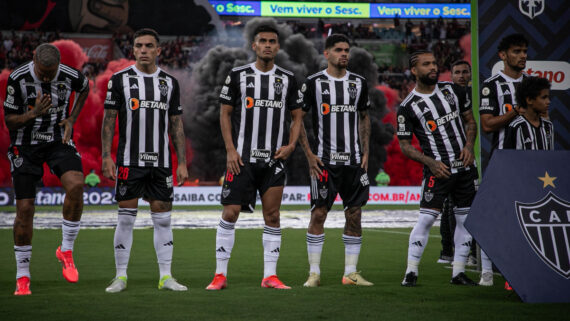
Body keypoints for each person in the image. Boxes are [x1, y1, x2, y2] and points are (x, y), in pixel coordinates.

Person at [205, 25, 304, 290]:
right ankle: (220, 275)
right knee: (230, 212)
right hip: (242, 159)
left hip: (274, 159)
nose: (268, 45)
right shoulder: (238, 75)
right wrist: (230, 150)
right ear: (254, 45)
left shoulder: (287, 79)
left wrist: (292, 145)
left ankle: (270, 276)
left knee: (272, 215)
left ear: (278, 46)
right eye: (263, 41)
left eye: (272, 41)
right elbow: (225, 113)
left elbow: (297, 117)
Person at [101, 28, 188, 293]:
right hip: (129, 161)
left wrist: (182, 162)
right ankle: (120, 276)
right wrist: (106, 156)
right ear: (133, 49)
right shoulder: (119, 80)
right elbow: (109, 120)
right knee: (126, 219)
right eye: (139, 46)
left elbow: (176, 124)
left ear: (159, 50)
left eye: (149, 46)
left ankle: (166, 277)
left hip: (161, 163)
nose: (143, 50)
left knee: (163, 219)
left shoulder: (170, 83)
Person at [4, 43, 90, 295]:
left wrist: (72, 118)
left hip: (56, 139)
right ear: (34, 60)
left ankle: (66, 250)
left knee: (76, 185)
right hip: (25, 144)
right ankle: (22, 276)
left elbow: (85, 88)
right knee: (25, 209)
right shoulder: (17, 78)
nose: (45, 77)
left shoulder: (70, 75)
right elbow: (9, 121)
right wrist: (32, 115)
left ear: (58, 66)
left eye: (50, 74)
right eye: (42, 72)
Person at [398, 50, 478, 287]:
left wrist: (469, 146)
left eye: (434, 63)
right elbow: (404, 146)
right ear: (414, 70)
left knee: (465, 221)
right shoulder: (408, 106)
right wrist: (430, 163)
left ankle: (459, 273)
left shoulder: (453, 90)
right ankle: (410, 273)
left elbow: (470, 121)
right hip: (438, 171)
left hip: (465, 167)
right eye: (426, 64)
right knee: (425, 220)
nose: (433, 67)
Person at [298, 34, 373, 287]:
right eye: (339, 50)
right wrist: (309, 155)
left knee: (355, 214)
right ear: (326, 53)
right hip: (324, 162)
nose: (344, 54)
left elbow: (364, 117)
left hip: (353, 162)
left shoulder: (359, 83)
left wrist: (365, 152)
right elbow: (298, 120)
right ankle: (314, 273)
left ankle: (350, 273)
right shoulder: (313, 83)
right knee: (319, 214)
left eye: (347, 50)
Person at [479, 33, 529, 287]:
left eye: (524, 51)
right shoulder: (492, 85)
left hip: (531, 163)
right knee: (496, 217)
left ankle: (519, 273)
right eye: (517, 51)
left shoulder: (534, 85)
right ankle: (487, 271)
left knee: (527, 218)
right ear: (503, 55)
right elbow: (487, 125)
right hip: (502, 160)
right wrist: (515, 113)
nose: (522, 56)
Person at [437, 60, 475, 265]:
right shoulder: (445, 97)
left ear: (471, 75)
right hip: (449, 158)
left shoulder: (472, 96)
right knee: (450, 206)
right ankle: (448, 251)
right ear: (450, 76)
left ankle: (455, 252)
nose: (461, 76)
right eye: (457, 72)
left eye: (465, 72)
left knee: (461, 206)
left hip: (469, 157)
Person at [504, 77, 553, 150]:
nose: (548, 102)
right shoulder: (516, 126)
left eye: (548, 97)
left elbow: (551, 155)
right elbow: (507, 157)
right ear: (529, 100)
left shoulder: (548, 125)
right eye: (544, 97)